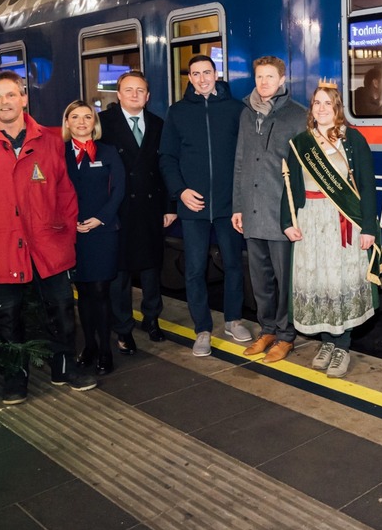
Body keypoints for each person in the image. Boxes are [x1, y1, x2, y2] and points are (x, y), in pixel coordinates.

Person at [0, 71, 95, 405]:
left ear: (24, 98)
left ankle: (65, 366)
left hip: (47, 242)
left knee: (61, 309)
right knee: (6, 315)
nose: (4, 103)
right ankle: (15, 375)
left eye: (11, 95)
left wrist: (66, 235)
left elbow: (65, 193)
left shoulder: (49, 140)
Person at [282, 84, 382, 378]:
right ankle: (327, 343)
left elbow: (368, 187)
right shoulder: (301, 142)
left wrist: (368, 227)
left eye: (327, 103)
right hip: (311, 221)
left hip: (343, 221)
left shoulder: (353, 140)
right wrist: (287, 222)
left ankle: (342, 345)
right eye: (316, 103)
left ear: (337, 107)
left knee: (340, 282)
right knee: (320, 282)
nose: (321, 108)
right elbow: (290, 187)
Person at [160, 55, 252, 356]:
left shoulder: (236, 110)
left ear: (217, 74)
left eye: (207, 72)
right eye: (195, 73)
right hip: (193, 207)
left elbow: (245, 158)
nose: (202, 79)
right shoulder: (178, 112)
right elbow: (167, 158)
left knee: (234, 264)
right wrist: (180, 192)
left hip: (228, 205)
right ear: (189, 77)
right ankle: (202, 329)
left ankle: (233, 319)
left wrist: (240, 198)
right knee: (195, 268)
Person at [232, 56, 307, 364]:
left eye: (269, 77)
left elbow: (304, 170)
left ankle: (286, 335)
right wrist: (237, 206)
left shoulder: (298, 116)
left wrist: (297, 212)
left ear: (282, 80)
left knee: (283, 277)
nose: (263, 83)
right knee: (260, 278)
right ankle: (267, 330)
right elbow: (239, 162)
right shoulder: (246, 115)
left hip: (280, 211)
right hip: (251, 210)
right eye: (259, 77)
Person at [99, 71, 175, 353]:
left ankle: (152, 319)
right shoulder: (103, 124)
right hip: (117, 208)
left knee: (152, 268)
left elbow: (165, 167)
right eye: (128, 90)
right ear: (118, 95)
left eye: (140, 90)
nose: (134, 95)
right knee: (120, 273)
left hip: (151, 207)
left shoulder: (157, 124)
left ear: (148, 96)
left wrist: (169, 207)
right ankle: (123, 327)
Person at [63, 100, 125, 376]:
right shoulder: (59, 153)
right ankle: (88, 346)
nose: (81, 121)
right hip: (71, 232)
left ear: (94, 123)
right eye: (75, 117)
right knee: (83, 292)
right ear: (67, 123)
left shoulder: (108, 152)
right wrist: (70, 221)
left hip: (102, 230)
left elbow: (120, 189)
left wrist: (101, 218)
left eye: (87, 117)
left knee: (100, 291)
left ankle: (105, 350)